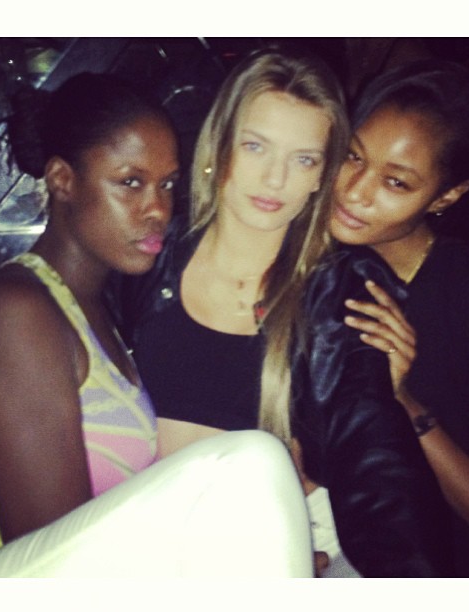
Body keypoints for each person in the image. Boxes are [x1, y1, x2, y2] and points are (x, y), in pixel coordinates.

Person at [0, 71, 314, 577]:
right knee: (254, 461)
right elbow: (55, 557)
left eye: (167, 184)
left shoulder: (84, 309)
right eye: (131, 182)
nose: (158, 209)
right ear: (63, 180)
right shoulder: (16, 313)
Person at [120, 46, 452, 577]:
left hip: (287, 534)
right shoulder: (147, 256)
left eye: (304, 159)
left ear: (322, 175)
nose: (275, 179)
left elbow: (374, 456)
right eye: (256, 147)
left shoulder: (340, 288)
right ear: (219, 145)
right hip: (155, 534)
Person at [331, 59, 469, 577]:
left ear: (446, 196)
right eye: (353, 155)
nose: (354, 191)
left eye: (395, 182)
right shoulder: (315, 266)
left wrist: (403, 402)